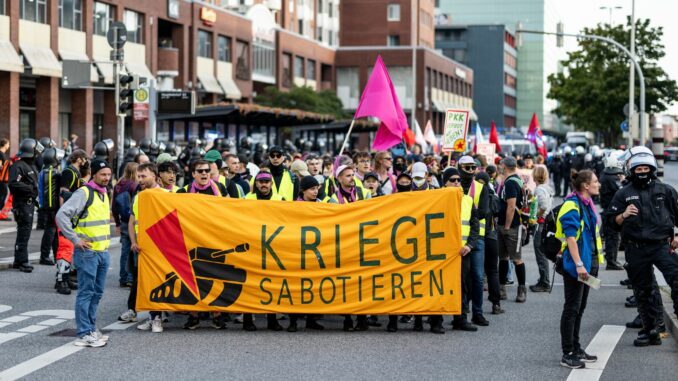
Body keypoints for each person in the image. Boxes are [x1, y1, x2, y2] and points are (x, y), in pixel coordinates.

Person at [607, 146, 678, 347]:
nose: (642, 172)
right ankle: (651, 330)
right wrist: (623, 215)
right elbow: (610, 222)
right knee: (643, 291)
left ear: (652, 168)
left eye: (645, 168)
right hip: (635, 248)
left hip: (662, 246)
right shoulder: (623, 194)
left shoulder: (666, 191)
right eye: (638, 169)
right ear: (631, 170)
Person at [56, 159, 112, 347]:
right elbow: (61, 215)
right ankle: (84, 332)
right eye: (103, 174)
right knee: (86, 293)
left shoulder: (104, 194)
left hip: (102, 252)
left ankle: (91, 328)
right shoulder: (84, 192)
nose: (106, 178)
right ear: (94, 174)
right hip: (87, 253)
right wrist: (75, 239)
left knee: (97, 293)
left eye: (108, 174)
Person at [556, 169, 602, 368]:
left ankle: (576, 347)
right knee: (572, 308)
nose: (598, 184)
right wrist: (579, 264)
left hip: (587, 263)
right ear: (586, 186)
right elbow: (570, 237)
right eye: (596, 181)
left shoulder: (585, 204)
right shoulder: (571, 205)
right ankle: (567, 353)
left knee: (579, 308)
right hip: (577, 265)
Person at [327, 164, 370, 331]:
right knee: (346, 283)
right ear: (339, 179)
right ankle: (347, 318)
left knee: (362, 283)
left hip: (362, 243)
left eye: (353, 175)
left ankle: (362, 318)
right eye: (347, 175)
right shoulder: (333, 199)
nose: (352, 178)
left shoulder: (364, 194)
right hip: (343, 245)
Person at [437, 167, 479, 333]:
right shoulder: (436, 200)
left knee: (463, 286)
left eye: (458, 180)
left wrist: (469, 245)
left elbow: (475, 226)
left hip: (462, 252)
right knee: (440, 286)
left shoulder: (468, 200)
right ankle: (437, 321)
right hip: (441, 253)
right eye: (452, 180)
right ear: (444, 183)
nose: (456, 183)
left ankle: (460, 319)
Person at [127, 163, 166, 333]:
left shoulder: (166, 195)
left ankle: (157, 318)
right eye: (139, 176)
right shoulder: (138, 197)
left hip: (158, 247)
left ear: (154, 176)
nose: (140, 179)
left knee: (157, 281)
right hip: (141, 248)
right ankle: (151, 317)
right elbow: (131, 221)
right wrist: (133, 242)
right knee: (144, 281)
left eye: (144, 176)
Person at [243, 171, 284, 331]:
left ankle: (272, 319)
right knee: (249, 283)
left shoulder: (280, 199)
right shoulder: (247, 199)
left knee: (271, 283)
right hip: (252, 245)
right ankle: (248, 319)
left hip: (273, 247)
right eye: (260, 182)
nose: (264, 184)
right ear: (256, 184)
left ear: (271, 183)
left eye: (267, 181)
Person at [287, 176, 325, 332]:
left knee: (313, 287)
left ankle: (311, 319)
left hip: (316, 252)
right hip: (298, 251)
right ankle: (293, 321)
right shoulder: (294, 206)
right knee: (296, 287)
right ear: (303, 190)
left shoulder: (322, 206)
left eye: (317, 188)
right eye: (312, 189)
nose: (315, 192)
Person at [457, 156, 490, 326]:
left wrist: (469, 208)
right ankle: (460, 313)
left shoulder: (480, 188)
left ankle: (477, 312)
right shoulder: (452, 185)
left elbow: (484, 212)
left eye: (473, 167)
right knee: (460, 279)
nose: (470, 170)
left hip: (476, 240)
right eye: (467, 167)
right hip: (456, 240)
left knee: (477, 277)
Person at [8, 139, 43, 272]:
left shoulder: (32, 165)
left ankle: (19, 260)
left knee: (25, 232)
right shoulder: (18, 166)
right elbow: (13, 183)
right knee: (24, 232)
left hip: (29, 203)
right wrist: (31, 189)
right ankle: (22, 261)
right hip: (22, 204)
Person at [497, 156, 528, 302]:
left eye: (501, 165)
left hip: (511, 226)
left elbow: (511, 206)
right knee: (503, 258)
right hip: (506, 225)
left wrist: (507, 226)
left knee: (516, 259)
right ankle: (501, 289)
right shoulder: (516, 179)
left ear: (505, 166)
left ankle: (522, 290)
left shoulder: (510, 183)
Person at [476, 171, 504, 314]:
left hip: (476, 238)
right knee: (493, 271)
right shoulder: (494, 198)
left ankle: (471, 306)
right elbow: (499, 213)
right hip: (491, 237)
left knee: (476, 274)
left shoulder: (473, 196)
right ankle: (496, 304)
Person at [112, 162, 138, 287]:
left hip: (122, 221)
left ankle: (123, 276)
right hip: (132, 221)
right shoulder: (134, 186)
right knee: (134, 250)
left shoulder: (118, 185)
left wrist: (117, 222)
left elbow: (114, 207)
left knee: (124, 250)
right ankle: (130, 277)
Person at [37, 148, 63, 266]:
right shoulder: (53, 171)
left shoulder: (44, 170)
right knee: (50, 231)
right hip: (52, 207)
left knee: (52, 231)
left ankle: (52, 254)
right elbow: (52, 193)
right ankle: (45, 256)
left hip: (47, 206)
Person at [530, 165, 554, 292]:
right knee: (541, 252)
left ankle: (544, 282)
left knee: (540, 252)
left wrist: (536, 215)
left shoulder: (539, 189)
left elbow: (544, 205)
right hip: (545, 222)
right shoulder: (547, 188)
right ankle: (543, 279)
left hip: (541, 222)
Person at [599, 152, 625, 270]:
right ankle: (611, 261)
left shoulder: (604, 174)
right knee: (613, 237)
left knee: (610, 236)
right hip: (612, 211)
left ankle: (611, 260)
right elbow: (621, 190)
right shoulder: (613, 178)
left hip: (607, 209)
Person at [0, 138, 10, 218]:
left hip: (3, 179)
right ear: (5, 144)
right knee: (3, 194)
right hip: (1, 179)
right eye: (8, 144)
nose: (9, 146)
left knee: (3, 194)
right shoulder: (1, 154)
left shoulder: (3, 154)